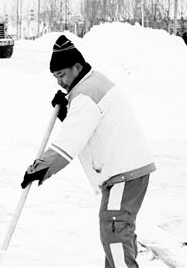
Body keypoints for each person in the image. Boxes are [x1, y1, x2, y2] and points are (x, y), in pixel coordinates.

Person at [21, 35, 156, 268]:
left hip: (125, 172)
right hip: (129, 169)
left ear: (77, 67)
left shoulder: (85, 93)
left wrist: (41, 167)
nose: (59, 82)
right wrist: (67, 112)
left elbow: (69, 143)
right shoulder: (91, 84)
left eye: (61, 75)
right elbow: (88, 127)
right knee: (117, 229)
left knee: (114, 228)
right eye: (55, 77)